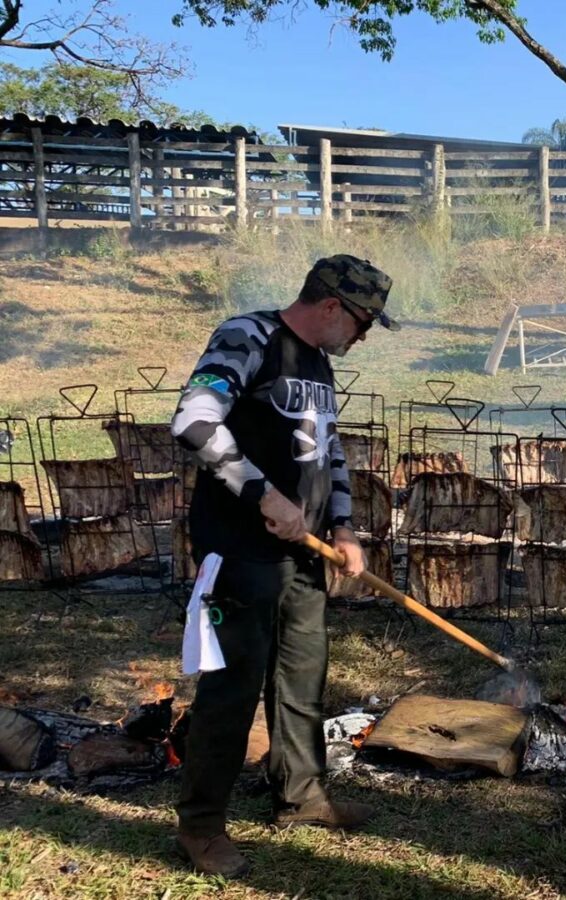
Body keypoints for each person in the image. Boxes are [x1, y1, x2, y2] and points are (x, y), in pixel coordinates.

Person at [170, 254, 399, 878]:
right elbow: (193, 420)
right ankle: (201, 826)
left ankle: (300, 797)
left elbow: (331, 451)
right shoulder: (247, 336)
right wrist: (262, 494)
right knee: (234, 684)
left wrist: (345, 527)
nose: (364, 336)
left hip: (305, 555)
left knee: (302, 678)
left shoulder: (321, 363)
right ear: (331, 307)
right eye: (364, 323)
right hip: (240, 550)